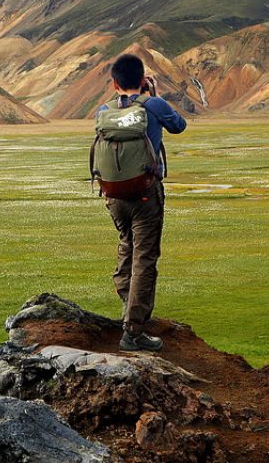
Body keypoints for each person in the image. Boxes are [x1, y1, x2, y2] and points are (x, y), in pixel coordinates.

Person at [98, 53, 187, 351]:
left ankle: (128, 303)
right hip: (146, 192)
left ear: (114, 83)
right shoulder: (153, 104)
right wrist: (155, 97)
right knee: (145, 258)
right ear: (143, 81)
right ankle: (133, 332)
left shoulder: (103, 110)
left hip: (113, 194)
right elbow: (179, 126)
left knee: (127, 244)